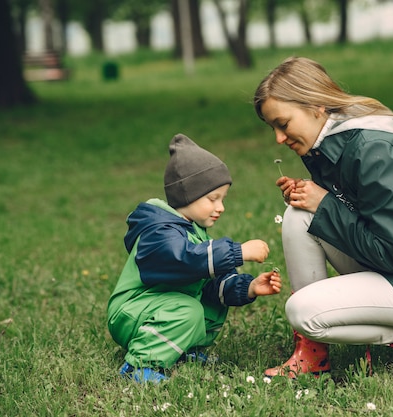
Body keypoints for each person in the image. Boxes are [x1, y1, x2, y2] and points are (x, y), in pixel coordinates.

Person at [253, 57, 393, 379]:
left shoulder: (376, 150)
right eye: (272, 127)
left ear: (316, 107)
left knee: (302, 311)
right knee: (297, 215)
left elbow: (389, 251)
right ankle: (312, 355)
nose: (278, 138)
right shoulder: (327, 146)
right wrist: (314, 198)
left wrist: (325, 205)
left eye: (283, 123)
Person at [107, 134, 282, 383]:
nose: (220, 207)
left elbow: (210, 280)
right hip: (132, 311)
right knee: (188, 310)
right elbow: (184, 260)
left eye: (222, 199)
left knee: (210, 305)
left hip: (161, 307)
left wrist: (250, 287)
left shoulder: (194, 233)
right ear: (187, 193)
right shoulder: (159, 230)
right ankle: (140, 365)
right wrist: (238, 252)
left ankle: (179, 350)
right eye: (213, 199)